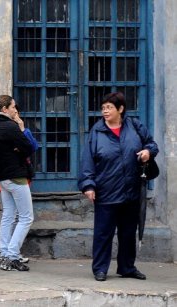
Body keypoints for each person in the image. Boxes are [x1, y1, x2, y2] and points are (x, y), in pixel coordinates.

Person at [78, 92, 158, 282]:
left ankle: (127, 267)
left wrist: (148, 151)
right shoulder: (96, 132)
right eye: (103, 108)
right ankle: (100, 269)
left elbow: (152, 144)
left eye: (109, 107)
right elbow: (87, 160)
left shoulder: (134, 126)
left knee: (129, 233)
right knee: (103, 233)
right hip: (106, 190)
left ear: (120, 109)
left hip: (132, 190)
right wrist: (88, 185)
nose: (105, 111)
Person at [0, 95, 36, 272]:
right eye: (13, 106)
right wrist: (22, 130)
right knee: (26, 217)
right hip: (16, 176)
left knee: (9, 214)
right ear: (5, 109)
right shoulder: (10, 127)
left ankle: (2, 252)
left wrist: (18, 148)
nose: (15, 109)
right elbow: (29, 147)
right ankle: (12, 255)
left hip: (2, 176)